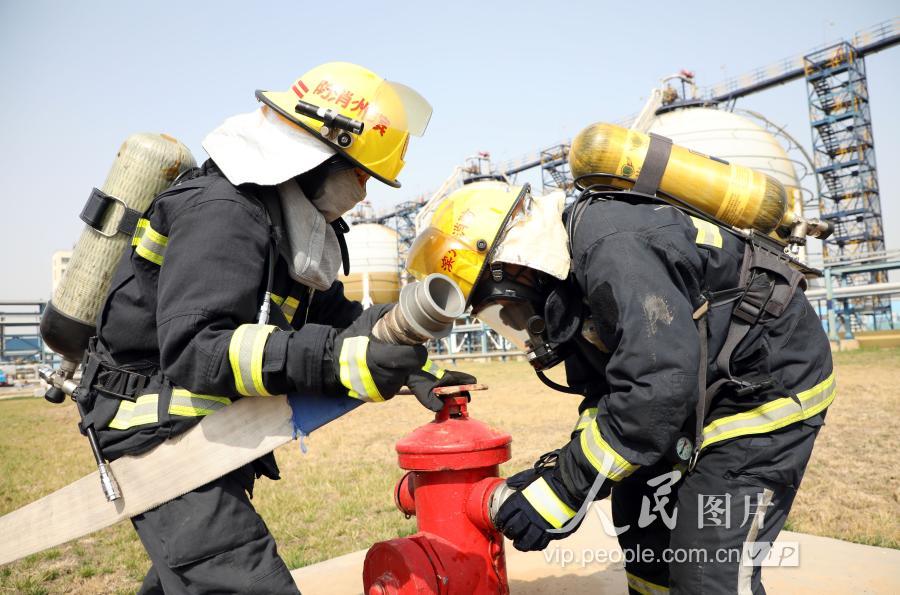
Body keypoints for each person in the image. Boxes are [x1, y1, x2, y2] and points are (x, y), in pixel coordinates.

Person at [79, 62, 466, 594]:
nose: (363, 191)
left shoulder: (280, 223)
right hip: (150, 426)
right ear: (314, 152)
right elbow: (198, 351)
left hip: (196, 425)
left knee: (192, 576)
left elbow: (338, 321)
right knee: (243, 580)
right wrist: (338, 362)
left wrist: (414, 365)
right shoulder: (221, 211)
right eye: (357, 172)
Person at [405, 178, 834, 594]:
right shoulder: (567, 289)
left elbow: (658, 388)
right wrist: (555, 473)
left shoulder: (612, 247)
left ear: (516, 266)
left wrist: (563, 490)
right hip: (690, 390)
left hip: (759, 391)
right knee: (645, 537)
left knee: (706, 569)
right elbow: (606, 397)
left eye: (505, 308)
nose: (516, 324)